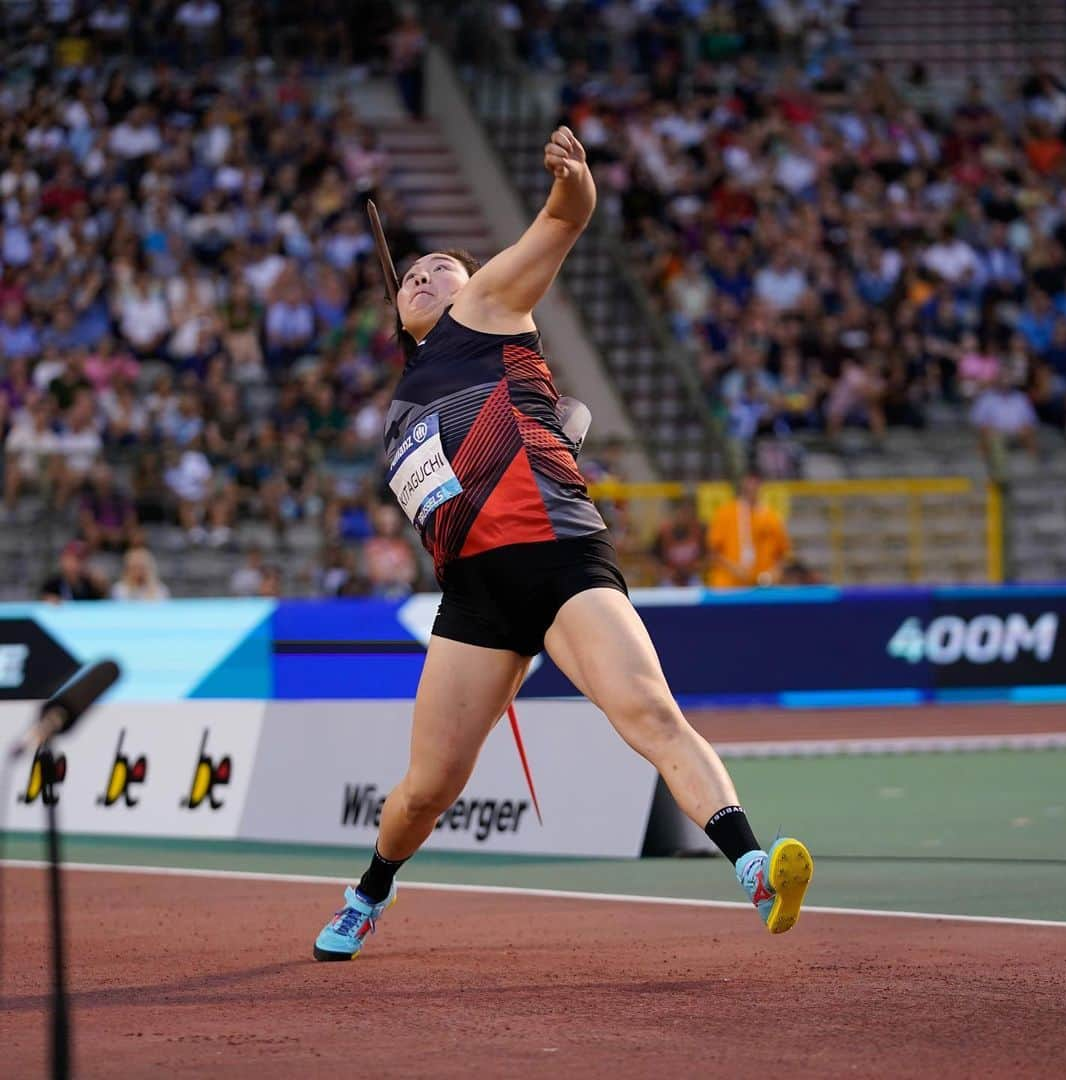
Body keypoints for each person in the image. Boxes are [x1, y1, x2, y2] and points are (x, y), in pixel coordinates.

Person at [313, 127, 813, 962]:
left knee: (649, 712)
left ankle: (755, 866)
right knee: (427, 789)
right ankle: (369, 890)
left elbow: (564, 221)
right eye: (412, 275)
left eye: (444, 265)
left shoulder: (486, 311)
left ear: (477, 286)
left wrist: (572, 183)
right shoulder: (398, 414)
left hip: (563, 560)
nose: (426, 273)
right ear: (398, 313)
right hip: (475, 596)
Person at [706, 471, 792, 588]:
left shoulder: (771, 517)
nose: (752, 486)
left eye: (755, 482)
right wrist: (734, 569)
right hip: (728, 587)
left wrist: (773, 573)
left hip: (762, 587)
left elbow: (783, 555)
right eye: (749, 481)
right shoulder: (725, 513)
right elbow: (713, 553)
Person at [39, 540, 106, 603]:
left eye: (79, 560)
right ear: (63, 559)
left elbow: (99, 605)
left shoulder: (91, 584)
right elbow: (44, 603)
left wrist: (102, 589)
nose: (73, 564)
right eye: (70, 559)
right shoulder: (52, 585)